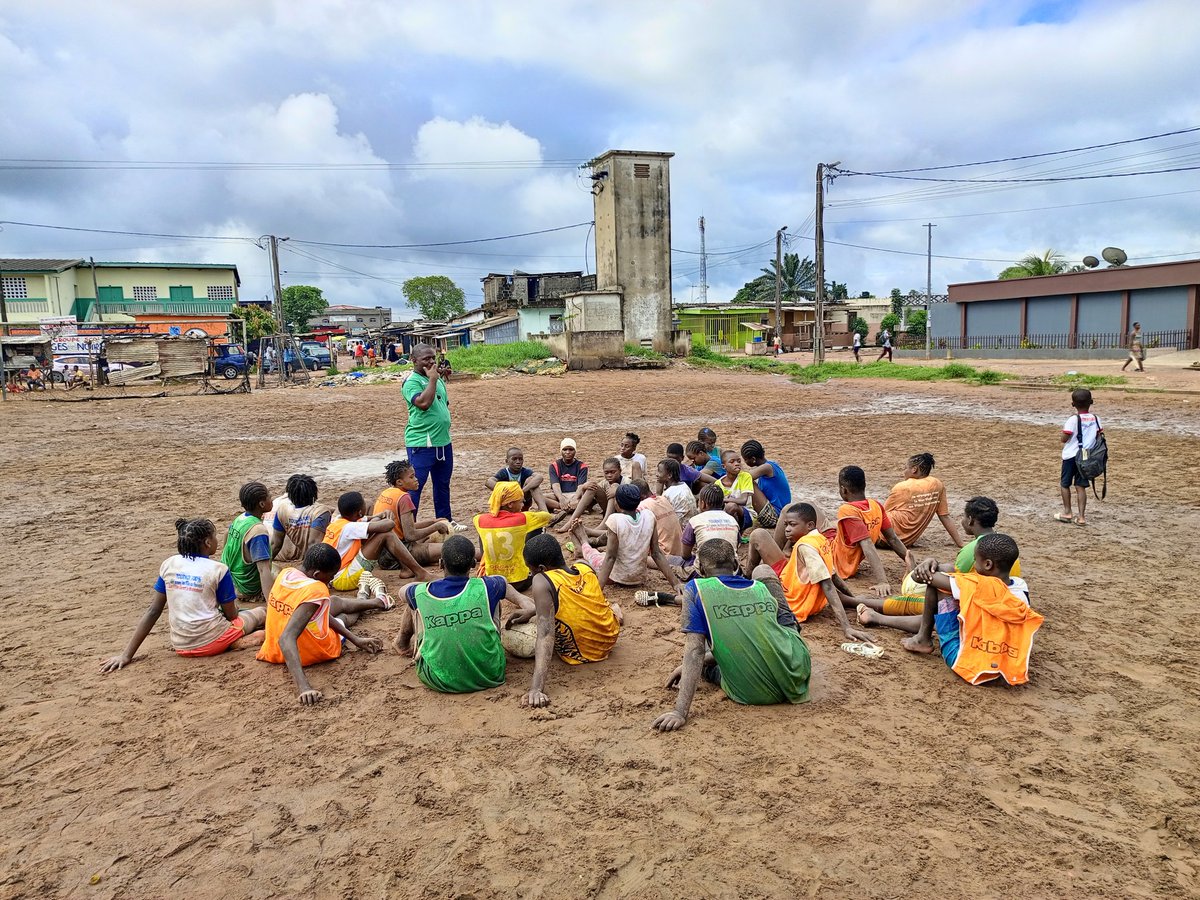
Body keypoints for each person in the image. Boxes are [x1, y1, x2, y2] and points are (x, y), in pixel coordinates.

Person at [651, 539, 812, 732]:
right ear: (736, 565)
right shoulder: (759, 588)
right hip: (798, 675)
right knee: (763, 572)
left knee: (708, 647)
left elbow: (695, 651)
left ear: (701, 569)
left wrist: (679, 712)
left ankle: (669, 600)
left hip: (752, 692)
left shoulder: (695, 589)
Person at [100, 518, 268, 671]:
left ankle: (232, 641)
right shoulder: (219, 570)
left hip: (181, 645)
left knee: (237, 617)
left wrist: (126, 655)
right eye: (215, 537)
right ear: (208, 542)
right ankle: (239, 640)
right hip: (212, 640)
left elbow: (153, 611)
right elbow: (231, 615)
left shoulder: (169, 564)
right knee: (260, 613)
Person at [394, 535, 535, 694]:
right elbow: (529, 604)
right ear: (473, 565)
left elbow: (402, 592)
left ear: (441, 564)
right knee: (493, 598)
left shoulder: (422, 591)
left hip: (438, 679)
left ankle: (402, 643)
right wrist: (528, 612)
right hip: (490, 675)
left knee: (416, 602)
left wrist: (426, 585)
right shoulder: (491, 584)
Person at [856, 496, 1022, 630]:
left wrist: (920, 570)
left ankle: (863, 607)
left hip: (976, 605)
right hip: (993, 600)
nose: (962, 521)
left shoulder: (974, 549)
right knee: (943, 574)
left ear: (970, 520)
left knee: (915, 604)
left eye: (963, 517)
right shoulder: (1003, 545)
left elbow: (950, 582)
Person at [901, 534, 1043, 685]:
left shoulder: (976, 585)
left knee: (940, 583)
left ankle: (922, 639)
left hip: (966, 661)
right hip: (1007, 663)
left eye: (976, 560)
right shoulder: (1021, 586)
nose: (974, 565)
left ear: (988, 564)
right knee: (948, 574)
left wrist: (931, 561)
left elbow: (921, 578)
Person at [257, 544, 387, 705]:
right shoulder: (317, 589)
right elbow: (287, 638)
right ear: (317, 574)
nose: (331, 581)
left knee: (333, 603)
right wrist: (304, 688)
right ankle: (375, 599)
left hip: (272, 650)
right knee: (344, 618)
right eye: (331, 576)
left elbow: (318, 615)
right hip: (312, 651)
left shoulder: (286, 573)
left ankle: (371, 599)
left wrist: (356, 640)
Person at [519, 534, 623, 708]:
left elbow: (545, 634)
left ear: (542, 568)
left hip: (583, 652)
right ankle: (617, 611)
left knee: (541, 627)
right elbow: (579, 599)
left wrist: (536, 688)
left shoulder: (541, 580)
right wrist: (531, 611)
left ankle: (617, 610)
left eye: (531, 569)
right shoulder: (584, 565)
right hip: (609, 638)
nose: (531, 574)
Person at [745, 503, 874, 641]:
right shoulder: (820, 539)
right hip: (790, 579)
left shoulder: (806, 547)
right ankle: (746, 579)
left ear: (810, 525)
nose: (787, 530)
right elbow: (833, 575)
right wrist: (853, 598)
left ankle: (745, 582)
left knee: (761, 568)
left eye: (792, 525)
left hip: (792, 602)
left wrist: (847, 627)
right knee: (759, 534)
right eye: (786, 525)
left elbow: (828, 584)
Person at [572, 484, 681, 600]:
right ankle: (585, 544)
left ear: (617, 503)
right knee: (603, 554)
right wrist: (676, 584)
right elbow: (657, 553)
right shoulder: (649, 516)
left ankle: (583, 542)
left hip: (617, 578)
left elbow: (610, 558)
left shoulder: (615, 520)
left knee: (594, 556)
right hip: (638, 578)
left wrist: (598, 590)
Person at [403, 343, 466, 531]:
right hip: (422, 443)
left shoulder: (438, 380)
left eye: (433, 358)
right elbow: (423, 403)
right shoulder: (411, 382)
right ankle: (409, 527)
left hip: (443, 441)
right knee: (415, 486)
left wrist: (435, 380)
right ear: (414, 360)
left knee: (442, 484)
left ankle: (445, 521)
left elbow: (443, 403)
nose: (431, 362)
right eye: (426, 359)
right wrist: (432, 379)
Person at [324, 490, 432, 592]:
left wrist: (381, 515)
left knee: (378, 528)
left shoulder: (338, 520)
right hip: (343, 579)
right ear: (359, 512)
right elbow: (389, 525)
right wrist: (388, 518)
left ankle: (408, 568)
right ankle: (420, 572)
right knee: (386, 534)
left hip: (333, 575)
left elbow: (369, 518)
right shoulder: (350, 527)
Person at [828, 465, 908, 597]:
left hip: (838, 563)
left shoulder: (847, 510)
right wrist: (911, 562)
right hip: (839, 547)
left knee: (794, 513)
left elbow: (867, 545)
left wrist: (882, 581)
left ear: (843, 489)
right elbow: (892, 538)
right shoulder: (875, 505)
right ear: (864, 485)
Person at [475, 482, 553, 590]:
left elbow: (493, 516)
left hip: (492, 581)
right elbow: (547, 516)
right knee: (539, 528)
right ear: (510, 504)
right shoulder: (524, 518)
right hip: (519, 582)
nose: (523, 504)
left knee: (483, 534)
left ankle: (485, 565)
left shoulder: (479, 519)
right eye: (521, 501)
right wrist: (540, 501)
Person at [374, 460, 450, 568]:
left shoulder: (387, 492)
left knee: (429, 538)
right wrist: (436, 526)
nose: (416, 479)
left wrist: (432, 522)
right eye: (412, 477)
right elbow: (410, 535)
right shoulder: (404, 498)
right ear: (400, 482)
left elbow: (404, 528)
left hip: (382, 554)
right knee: (452, 549)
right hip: (397, 555)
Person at [883, 452, 965, 548]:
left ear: (914, 469)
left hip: (885, 538)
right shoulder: (937, 485)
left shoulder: (902, 487)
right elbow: (945, 517)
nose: (904, 472)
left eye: (905, 468)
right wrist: (960, 543)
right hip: (906, 542)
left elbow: (881, 515)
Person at [220, 481, 276, 605]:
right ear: (262, 504)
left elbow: (226, 537)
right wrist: (272, 605)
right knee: (284, 576)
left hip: (231, 581)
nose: (272, 499)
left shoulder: (240, 519)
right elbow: (263, 570)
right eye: (269, 497)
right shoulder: (258, 530)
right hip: (248, 588)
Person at [270, 474, 333, 572]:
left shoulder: (282, 511)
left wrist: (264, 565)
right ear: (314, 493)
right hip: (325, 557)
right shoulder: (320, 513)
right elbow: (313, 545)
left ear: (290, 495)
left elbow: (275, 544)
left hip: (307, 556)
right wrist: (305, 572)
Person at [1057, 388, 1101, 527]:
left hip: (1071, 455)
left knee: (1065, 484)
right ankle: (1081, 517)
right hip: (1086, 455)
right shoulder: (1096, 419)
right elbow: (1099, 436)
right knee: (1080, 486)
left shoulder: (1073, 420)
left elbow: (1065, 438)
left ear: (1073, 404)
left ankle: (1067, 512)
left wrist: (1063, 436)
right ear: (1091, 402)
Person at [556, 457, 623, 533]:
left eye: (613, 472)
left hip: (621, 511)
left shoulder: (626, 481)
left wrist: (618, 491)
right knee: (592, 486)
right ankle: (571, 521)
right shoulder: (604, 483)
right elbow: (589, 502)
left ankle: (603, 525)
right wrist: (584, 488)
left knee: (615, 486)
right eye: (606, 473)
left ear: (620, 471)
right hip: (607, 508)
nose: (609, 475)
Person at [679, 484, 741, 564]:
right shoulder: (732, 520)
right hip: (731, 569)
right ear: (722, 504)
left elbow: (685, 555)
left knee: (673, 560)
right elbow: (736, 546)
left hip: (705, 571)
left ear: (703, 504)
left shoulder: (695, 521)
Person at [739, 440, 792, 531]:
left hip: (775, 517)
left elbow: (745, 478)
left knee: (748, 482)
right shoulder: (772, 465)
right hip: (780, 514)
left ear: (753, 459)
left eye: (746, 459)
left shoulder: (766, 468)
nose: (745, 462)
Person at [487, 447, 549, 512]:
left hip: (523, 503)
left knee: (531, 480)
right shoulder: (504, 473)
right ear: (507, 461)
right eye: (514, 459)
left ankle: (544, 512)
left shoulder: (525, 471)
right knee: (499, 486)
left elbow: (539, 477)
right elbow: (488, 482)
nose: (518, 462)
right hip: (508, 506)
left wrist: (521, 491)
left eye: (520, 459)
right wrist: (508, 491)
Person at [635, 478, 684, 558]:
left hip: (664, 554)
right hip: (680, 551)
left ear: (641, 497)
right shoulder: (663, 499)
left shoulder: (642, 506)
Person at [715, 450, 761, 533]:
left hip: (747, 515)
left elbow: (743, 500)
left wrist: (723, 500)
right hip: (725, 515)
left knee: (731, 506)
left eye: (739, 461)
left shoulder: (745, 477)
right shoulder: (718, 484)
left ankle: (737, 533)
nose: (736, 464)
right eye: (732, 462)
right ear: (723, 466)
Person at [548, 438, 589, 512]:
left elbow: (581, 486)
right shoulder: (554, 466)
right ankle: (573, 508)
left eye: (571, 449)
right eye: (565, 449)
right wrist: (561, 499)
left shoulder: (582, 466)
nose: (568, 452)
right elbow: (555, 485)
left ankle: (562, 509)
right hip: (560, 495)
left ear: (575, 451)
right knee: (540, 497)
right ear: (561, 451)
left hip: (576, 494)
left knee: (590, 497)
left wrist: (575, 498)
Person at [658, 458, 697, 523]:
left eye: (660, 472)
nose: (657, 474)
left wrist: (658, 492)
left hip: (679, 528)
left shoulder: (668, 494)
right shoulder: (684, 486)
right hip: (690, 524)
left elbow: (662, 515)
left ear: (669, 475)